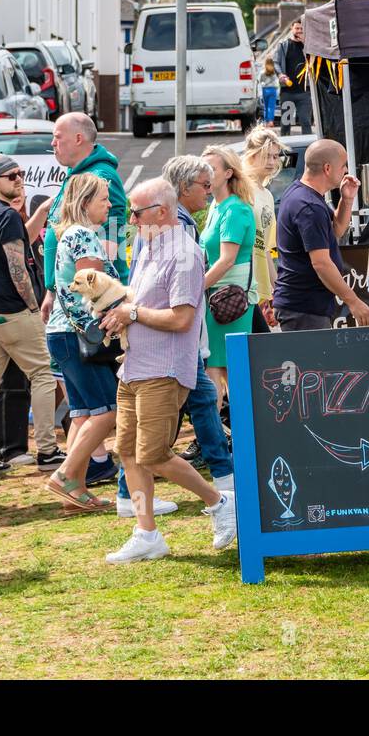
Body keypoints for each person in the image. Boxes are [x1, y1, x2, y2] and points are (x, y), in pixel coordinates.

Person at [98, 178, 237, 563]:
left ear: (162, 211)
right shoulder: (149, 244)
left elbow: (181, 319)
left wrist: (133, 313)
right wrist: (115, 309)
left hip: (164, 368)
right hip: (135, 366)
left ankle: (220, 501)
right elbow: (138, 301)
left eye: (137, 212)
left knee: (154, 453)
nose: (131, 218)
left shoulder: (185, 255)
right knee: (127, 451)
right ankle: (147, 533)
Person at [0, 153, 64, 475]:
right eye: (12, 175)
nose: (19, 179)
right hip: (14, 314)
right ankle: (48, 451)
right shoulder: (6, 216)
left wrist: (38, 213)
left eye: (21, 174)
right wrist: (34, 307)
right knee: (42, 376)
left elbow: (17, 238)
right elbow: (18, 267)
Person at [42, 173, 119, 513]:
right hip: (79, 335)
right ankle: (66, 475)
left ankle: (75, 489)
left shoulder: (67, 234)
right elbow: (93, 291)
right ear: (86, 202)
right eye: (104, 198)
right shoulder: (85, 236)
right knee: (108, 410)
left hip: (61, 334)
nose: (110, 204)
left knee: (83, 413)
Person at [161, 155, 234, 493]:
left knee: (197, 406)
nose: (208, 191)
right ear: (182, 187)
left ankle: (225, 473)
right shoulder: (180, 222)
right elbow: (183, 285)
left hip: (182, 334)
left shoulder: (173, 219)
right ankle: (225, 474)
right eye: (203, 186)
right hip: (182, 335)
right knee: (169, 416)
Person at [272, 139, 369, 331]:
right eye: (343, 166)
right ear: (327, 168)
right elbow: (321, 263)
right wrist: (353, 301)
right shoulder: (309, 206)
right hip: (303, 308)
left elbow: (336, 231)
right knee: (314, 362)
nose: (345, 171)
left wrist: (347, 199)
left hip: (304, 306)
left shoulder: (302, 193)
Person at [40, 112, 129, 322]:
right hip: (71, 297)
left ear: (78, 138)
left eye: (58, 137)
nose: (53, 143)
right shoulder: (76, 172)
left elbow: (111, 236)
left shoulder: (100, 176)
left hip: (87, 305)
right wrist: (51, 291)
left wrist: (99, 306)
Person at [200, 145, 258, 403]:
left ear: (228, 173)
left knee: (230, 371)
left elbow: (226, 260)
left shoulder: (235, 209)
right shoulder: (216, 206)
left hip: (230, 300)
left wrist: (193, 288)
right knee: (216, 367)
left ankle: (234, 434)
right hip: (215, 297)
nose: (205, 175)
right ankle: (222, 434)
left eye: (211, 169)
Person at [241, 126, 285, 330]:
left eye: (275, 156)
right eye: (266, 156)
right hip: (242, 283)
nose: (272, 162)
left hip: (259, 287)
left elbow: (265, 248)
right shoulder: (241, 190)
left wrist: (276, 287)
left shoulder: (266, 194)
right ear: (251, 156)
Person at [272, 19, 311, 135]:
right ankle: (285, 149)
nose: (299, 31)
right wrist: (280, 74)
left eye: (301, 29)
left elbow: (315, 59)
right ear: (292, 29)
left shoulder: (308, 46)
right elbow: (276, 62)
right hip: (287, 92)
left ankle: (308, 150)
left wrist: (305, 44)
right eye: (297, 28)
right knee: (286, 123)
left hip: (304, 92)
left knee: (305, 122)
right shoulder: (284, 46)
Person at [260, 58, 280, 127]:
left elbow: (259, 80)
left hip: (265, 90)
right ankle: (271, 121)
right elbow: (277, 81)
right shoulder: (274, 72)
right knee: (271, 107)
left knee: (265, 107)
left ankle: (266, 121)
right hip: (273, 90)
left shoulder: (262, 72)